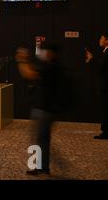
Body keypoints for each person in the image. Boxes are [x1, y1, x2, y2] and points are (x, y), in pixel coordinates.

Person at [16, 42, 64, 175]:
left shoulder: (50, 67)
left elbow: (29, 74)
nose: (43, 53)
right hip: (48, 109)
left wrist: (22, 60)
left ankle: (37, 167)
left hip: (44, 109)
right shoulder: (53, 66)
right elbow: (35, 72)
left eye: (45, 51)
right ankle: (44, 167)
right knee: (42, 139)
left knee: (37, 139)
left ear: (51, 53)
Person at [85, 32, 108, 139]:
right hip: (107, 86)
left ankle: (107, 132)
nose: (99, 40)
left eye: (102, 38)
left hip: (107, 87)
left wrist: (92, 59)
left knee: (106, 109)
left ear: (107, 41)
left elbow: (101, 69)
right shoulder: (107, 52)